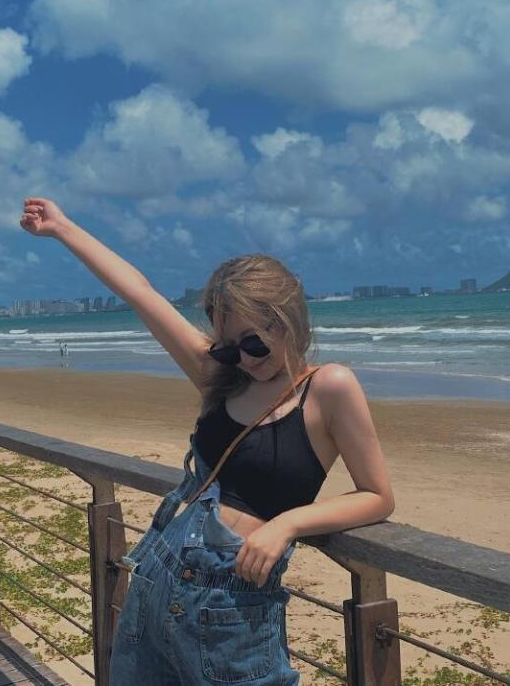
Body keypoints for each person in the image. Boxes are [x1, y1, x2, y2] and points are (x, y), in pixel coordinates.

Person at [20, 197, 395, 684]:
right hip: (155, 584)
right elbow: (140, 292)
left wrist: (287, 524)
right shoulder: (222, 378)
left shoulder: (329, 389)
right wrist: (63, 228)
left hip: (233, 611)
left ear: (288, 320)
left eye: (254, 342)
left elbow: (377, 495)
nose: (245, 359)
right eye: (229, 347)